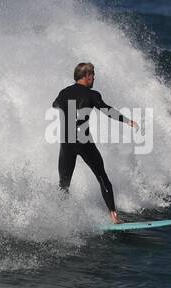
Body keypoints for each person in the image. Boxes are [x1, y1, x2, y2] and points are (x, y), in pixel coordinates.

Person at [52, 62, 138, 224]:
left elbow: (54, 104)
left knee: (64, 184)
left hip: (66, 142)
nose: (94, 78)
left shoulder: (63, 92)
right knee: (102, 177)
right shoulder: (92, 94)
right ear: (85, 77)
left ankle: (60, 219)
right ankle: (114, 217)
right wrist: (127, 121)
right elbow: (106, 110)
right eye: (92, 75)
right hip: (83, 141)